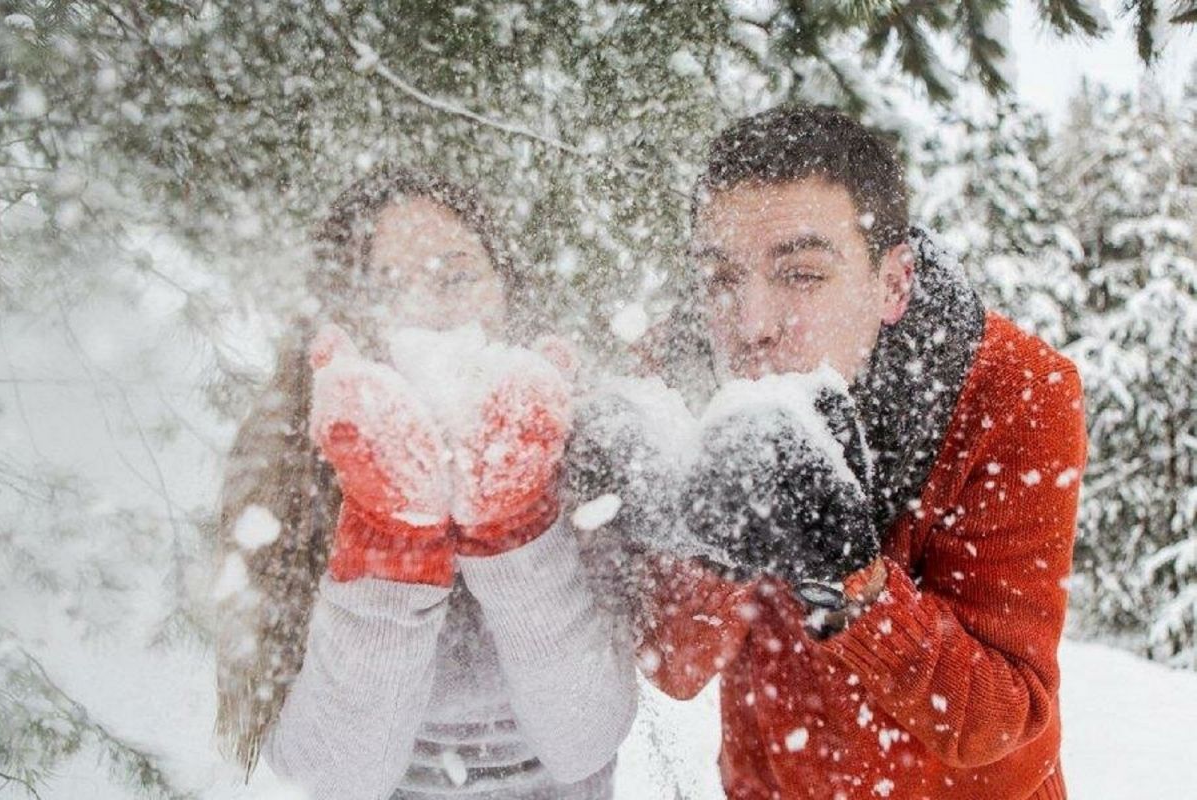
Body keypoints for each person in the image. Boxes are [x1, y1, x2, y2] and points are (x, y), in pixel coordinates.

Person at [632, 105, 1089, 799]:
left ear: (893, 284)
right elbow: (677, 666)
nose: (751, 326)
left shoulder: (1013, 394)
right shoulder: (681, 382)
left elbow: (1000, 718)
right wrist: (710, 552)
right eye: (723, 278)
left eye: (802, 275)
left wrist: (850, 579)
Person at [212, 165, 636, 800]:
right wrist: (388, 538)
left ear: (506, 288)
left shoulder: (576, 435)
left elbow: (586, 738)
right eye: (388, 288)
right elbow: (330, 774)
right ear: (341, 321)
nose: (428, 311)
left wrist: (516, 524)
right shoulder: (284, 458)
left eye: (458, 275)